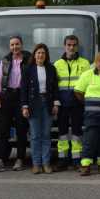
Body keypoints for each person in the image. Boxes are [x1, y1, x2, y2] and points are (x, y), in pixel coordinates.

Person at [0, 36, 29, 172]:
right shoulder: (5, 60)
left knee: (21, 130)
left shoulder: (28, 60)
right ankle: (0, 160)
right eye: (12, 45)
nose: (15, 47)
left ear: (21, 45)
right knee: (3, 130)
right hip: (6, 96)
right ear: (9, 47)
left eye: (17, 44)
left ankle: (20, 159)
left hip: (21, 96)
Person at [54, 35, 91, 171]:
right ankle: (62, 159)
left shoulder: (85, 63)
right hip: (62, 103)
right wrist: (56, 102)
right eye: (69, 45)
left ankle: (76, 159)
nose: (71, 47)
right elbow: (54, 86)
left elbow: (88, 84)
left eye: (74, 45)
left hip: (78, 103)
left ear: (77, 46)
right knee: (62, 133)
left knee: (77, 132)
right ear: (64, 46)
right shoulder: (57, 64)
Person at [20, 43, 58, 174]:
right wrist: (24, 106)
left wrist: (56, 104)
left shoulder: (51, 69)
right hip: (33, 105)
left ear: (46, 55)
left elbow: (55, 88)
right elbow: (23, 89)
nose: (40, 55)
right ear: (34, 55)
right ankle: (36, 164)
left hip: (47, 103)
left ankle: (46, 163)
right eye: (38, 53)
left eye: (43, 53)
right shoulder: (28, 69)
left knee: (46, 135)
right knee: (35, 135)